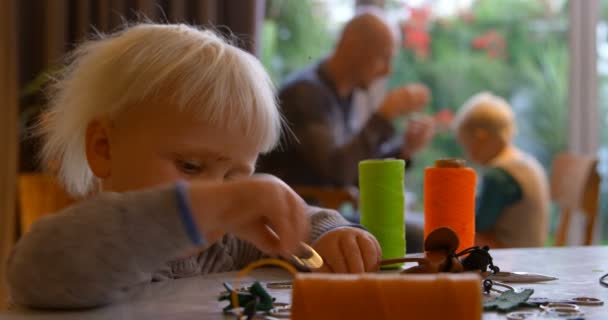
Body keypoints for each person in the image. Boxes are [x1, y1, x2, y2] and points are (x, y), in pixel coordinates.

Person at [6, 23, 382, 309]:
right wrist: (208, 206)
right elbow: (35, 268)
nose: (220, 193)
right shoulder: (103, 242)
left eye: (236, 176)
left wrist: (329, 234)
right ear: (104, 148)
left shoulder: (230, 244)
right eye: (190, 166)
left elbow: (291, 226)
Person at [257, 9, 434, 187]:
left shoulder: (341, 95)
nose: (388, 71)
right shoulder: (304, 94)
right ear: (353, 46)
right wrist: (382, 117)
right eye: (383, 57)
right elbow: (337, 173)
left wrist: (405, 150)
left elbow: (355, 172)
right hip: (290, 212)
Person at [453, 92, 550, 248]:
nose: (468, 155)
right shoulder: (526, 162)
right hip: (533, 249)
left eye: (467, 146)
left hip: (510, 255)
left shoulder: (499, 174)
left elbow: (480, 223)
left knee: (458, 231)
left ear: (481, 137)